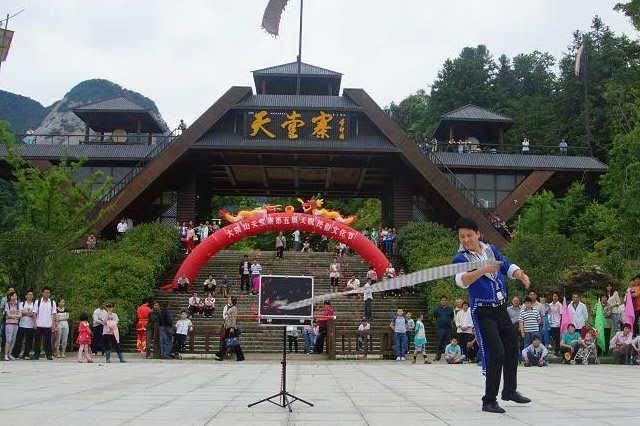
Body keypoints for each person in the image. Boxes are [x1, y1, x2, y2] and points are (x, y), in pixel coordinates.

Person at [452, 217, 531, 414]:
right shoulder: (461, 258)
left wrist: (520, 273)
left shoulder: (490, 249)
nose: (466, 239)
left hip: (500, 308)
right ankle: (489, 400)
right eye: (462, 236)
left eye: (469, 235)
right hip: (483, 311)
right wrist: (483, 269)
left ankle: (510, 391)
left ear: (478, 234)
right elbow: (462, 281)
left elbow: (504, 265)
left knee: (512, 348)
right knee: (497, 353)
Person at [214, 296, 244, 361]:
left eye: (230, 299)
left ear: (232, 301)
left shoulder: (234, 308)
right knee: (234, 343)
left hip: (231, 328)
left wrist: (232, 327)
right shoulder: (230, 307)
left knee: (228, 342)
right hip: (228, 327)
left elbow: (234, 318)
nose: (228, 300)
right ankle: (240, 357)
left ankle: (220, 355)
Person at [32, 287, 57, 361]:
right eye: (45, 292)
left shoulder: (52, 302)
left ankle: (49, 354)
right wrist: (34, 323)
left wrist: (53, 324)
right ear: (42, 293)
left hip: (48, 325)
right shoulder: (38, 301)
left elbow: (54, 314)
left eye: (48, 292)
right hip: (39, 324)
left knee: (48, 341)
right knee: (37, 341)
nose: (47, 294)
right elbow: (34, 313)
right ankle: (36, 354)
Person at [11, 290, 35, 360]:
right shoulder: (22, 304)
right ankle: (15, 354)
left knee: (29, 341)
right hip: (22, 325)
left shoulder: (34, 304)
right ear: (26, 296)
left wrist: (25, 313)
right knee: (19, 340)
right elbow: (21, 313)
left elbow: (34, 314)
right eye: (29, 294)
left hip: (30, 325)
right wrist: (29, 313)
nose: (30, 296)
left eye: (31, 294)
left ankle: (26, 354)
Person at [433, 296, 454, 361]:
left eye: (445, 300)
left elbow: (452, 318)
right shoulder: (437, 309)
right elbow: (434, 318)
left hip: (448, 329)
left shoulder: (450, 309)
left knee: (449, 343)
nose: (443, 301)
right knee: (439, 343)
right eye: (442, 300)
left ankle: (450, 356)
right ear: (440, 301)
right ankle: (438, 356)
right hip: (440, 329)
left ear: (447, 301)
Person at [3, 292, 20, 360]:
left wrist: (12, 316)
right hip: (9, 324)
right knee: (8, 339)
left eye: (15, 296)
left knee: (13, 340)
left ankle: (10, 354)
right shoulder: (7, 304)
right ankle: (6, 355)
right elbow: (8, 314)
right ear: (10, 297)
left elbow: (20, 315)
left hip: (16, 324)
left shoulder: (17, 305)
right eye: (13, 296)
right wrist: (15, 316)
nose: (14, 297)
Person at [549, 292, 563, 356]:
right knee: (551, 338)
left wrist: (561, 323)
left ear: (558, 297)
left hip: (557, 324)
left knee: (557, 339)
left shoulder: (560, 305)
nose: (555, 297)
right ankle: (551, 349)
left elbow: (561, 315)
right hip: (550, 323)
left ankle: (557, 352)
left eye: (556, 296)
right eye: (554, 296)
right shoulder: (549, 305)